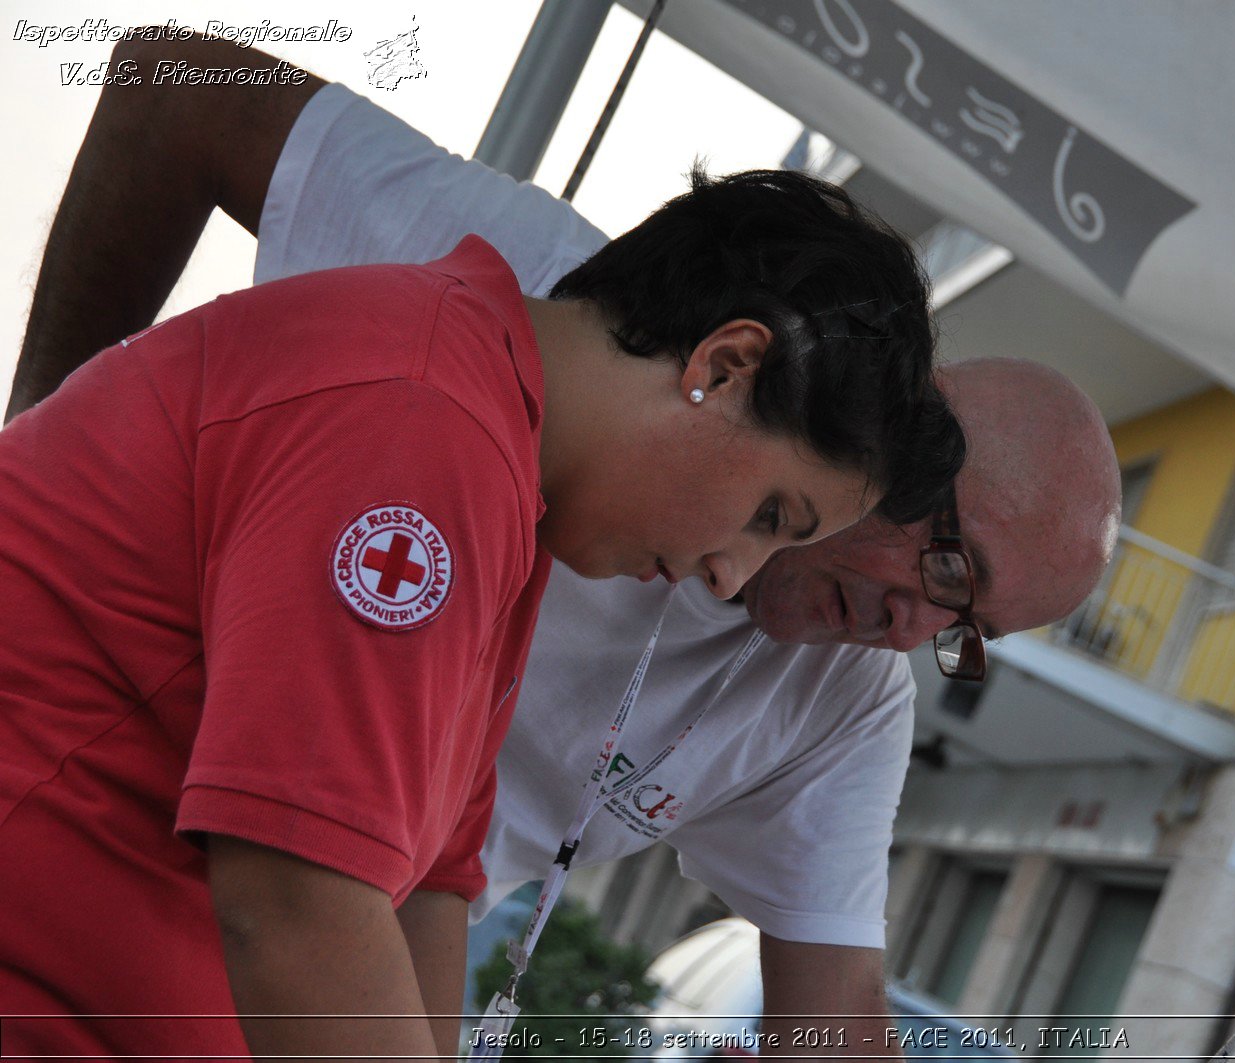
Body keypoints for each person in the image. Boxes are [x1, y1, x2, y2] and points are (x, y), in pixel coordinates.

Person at [5, 33, 1121, 1058]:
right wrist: (44, 454)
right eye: (772, 513)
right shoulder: (438, 401)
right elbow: (298, 892)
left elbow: (428, 885)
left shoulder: (535, 523)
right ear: (728, 370)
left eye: (962, 635)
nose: (908, 634)